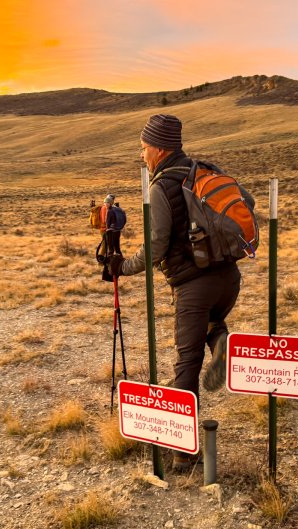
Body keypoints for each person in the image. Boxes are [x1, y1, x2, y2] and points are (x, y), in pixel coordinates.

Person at [105, 114, 249, 471]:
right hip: (228, 278)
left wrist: (122, 266)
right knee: (209, 323)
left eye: (143, 148)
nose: (142, 155)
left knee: (186, 366)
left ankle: (184, 453)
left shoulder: (161, 186)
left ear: (158, 147)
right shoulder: (202, 171)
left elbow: (155, 245)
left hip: (193, 285)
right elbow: (247, 203)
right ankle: (220, 340)